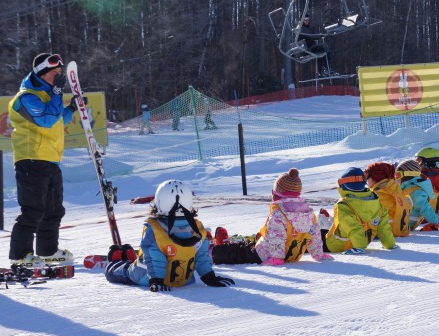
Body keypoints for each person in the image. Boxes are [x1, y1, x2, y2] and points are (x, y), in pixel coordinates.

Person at [7, 53, 78, 267]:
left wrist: (72, 108)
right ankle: (21, 256)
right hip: (31, 159)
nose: (58, 77)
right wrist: (57, 93)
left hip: (51, 160)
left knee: (54, 210)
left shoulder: (48, 97)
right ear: (41, 73)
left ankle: (47, 252)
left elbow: (56, 120)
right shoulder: (25, 98)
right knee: (32, 210)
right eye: (54, 73)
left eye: (59, 74)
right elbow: (46, 121)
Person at [105, 180, 235, 292]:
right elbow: (201, 256)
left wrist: (157, 280)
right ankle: (120, 261)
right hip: (168, 278)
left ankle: (118, 262)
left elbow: (155, 257)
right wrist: (209, 277)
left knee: (126, 270)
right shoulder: (197, 228)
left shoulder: (156, 229)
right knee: (128, 268)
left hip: (151, 277)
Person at [210, 168, 333, 265]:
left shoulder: (279, 213)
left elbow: (277, 237)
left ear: (276, 194)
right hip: (292, 255)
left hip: (266, 254)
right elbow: (315, 236)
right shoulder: (309, 213)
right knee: (251, 244)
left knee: (240, 253)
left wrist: (277, 258)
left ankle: (214, 251)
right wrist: (318, 255)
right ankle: (226, 244)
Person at [323, 167, 396, 253]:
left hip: (337, 245)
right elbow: (384, 228)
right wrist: (390, 244)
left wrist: (359, 247)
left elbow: (354, 227)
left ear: (343, 184)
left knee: (314, 236)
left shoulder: (344, 205)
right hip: (360, 241)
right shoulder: (377, 203)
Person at [364, 162, 413, 237]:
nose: (366, 181)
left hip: (386, 230)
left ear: (375, 178)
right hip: (400, 228)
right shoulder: (395, 189)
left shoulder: (379, 194)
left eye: (367, 176)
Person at [415, 147, 439, 228]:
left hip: (423, 218)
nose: (417, 164)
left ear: (428, 163)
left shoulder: (420, 179)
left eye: (418, 161)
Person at [395, 160, 439, 231]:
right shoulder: (407, 188)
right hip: (399, 221)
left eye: (398, 175)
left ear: (409, 174)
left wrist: (434, 223)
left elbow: (425, 208)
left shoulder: (415, 192)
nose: (396, 178)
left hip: (402, 225)